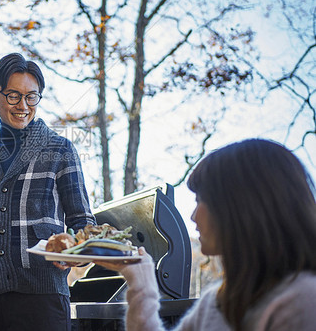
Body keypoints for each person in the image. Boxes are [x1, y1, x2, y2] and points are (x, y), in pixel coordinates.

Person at [96, 138, 316, 331]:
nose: (193, 216)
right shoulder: (216, 301)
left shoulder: (302, 301)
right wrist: (140, 277)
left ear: (241, 207)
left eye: (200, 200)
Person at [0, 53, 96, 331]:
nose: (23, 106)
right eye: (14, 96)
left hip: (44, 298)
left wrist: (76, 254)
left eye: (32, 97)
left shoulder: (60, 150)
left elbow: (83, 220)